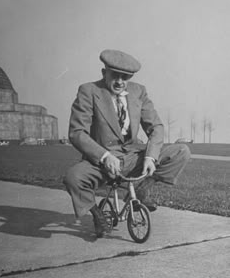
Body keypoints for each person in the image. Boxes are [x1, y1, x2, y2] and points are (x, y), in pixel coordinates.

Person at [64, 49, 190, 238]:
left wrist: (150, 157)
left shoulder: (138, 91)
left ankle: (142, 190)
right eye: (115, 75)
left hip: (132, 156)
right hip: (101, 161)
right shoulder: (89, 91)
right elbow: (77, 132)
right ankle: (98, 215)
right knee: (73, 177)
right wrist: (104, 156)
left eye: (125, 77)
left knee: (181, 151)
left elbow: (156, 127)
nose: (120, 82)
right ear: (104, 72)